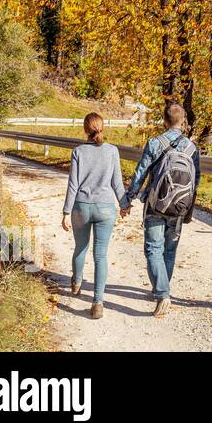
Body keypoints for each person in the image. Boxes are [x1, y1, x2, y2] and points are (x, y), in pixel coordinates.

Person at [121, 101, 200, 317]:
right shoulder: (192, 148)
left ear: (165, 121)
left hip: (156, 205)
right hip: (179, 207)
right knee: (169, 250)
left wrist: (128, 199)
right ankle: (162, 288)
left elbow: (140, 173)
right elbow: (196, 180)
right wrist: (188, 209)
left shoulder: (155, 143)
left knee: (153, 250)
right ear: (183, 121)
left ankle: (162, 292)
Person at [61, 113, 127, 319]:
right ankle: (98, 302)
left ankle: (76, 282)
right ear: (102, 128)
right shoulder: (112, 151)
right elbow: (117, 182)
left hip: (81, 206)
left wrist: (65, 211)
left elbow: (73, 184)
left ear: (85, 130)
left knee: (80, 247)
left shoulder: (78, 151)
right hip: (106, 208)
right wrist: (124, 204)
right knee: (101, 255)